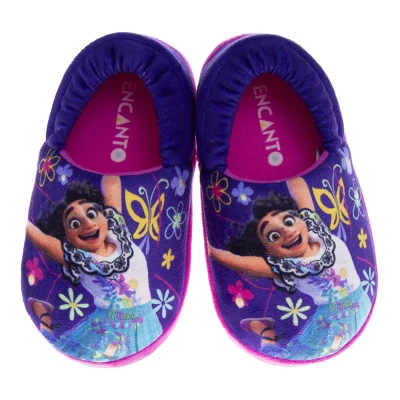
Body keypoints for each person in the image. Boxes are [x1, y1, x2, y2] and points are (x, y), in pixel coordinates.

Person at [208, 177, 371, 360]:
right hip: (329, 321)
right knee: (291, 353)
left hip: (360, 299)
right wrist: (210, 250)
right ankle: (266, 333)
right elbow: (239, 262)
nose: (287, 231)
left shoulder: (314, 229)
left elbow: (300, 191)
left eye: (288, 221)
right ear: (267, 252)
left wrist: (290, 170)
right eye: (273, 236)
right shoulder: (285, 266)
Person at [26, 176, 162, 362]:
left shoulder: (117, 231)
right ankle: (45, 317)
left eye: (91, 214)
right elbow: (42, 240)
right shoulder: (78, 258)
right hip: (108, 329)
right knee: (99, 355)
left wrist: (115, 163)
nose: (88, 224)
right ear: (66, 238)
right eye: (74, 223)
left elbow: (112, 186)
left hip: (147, 319)